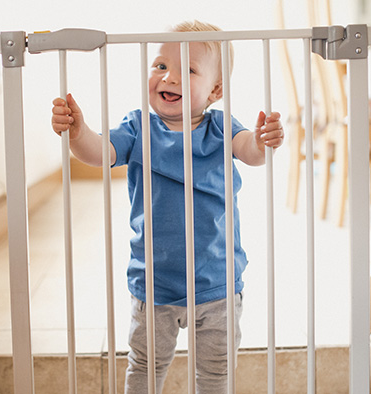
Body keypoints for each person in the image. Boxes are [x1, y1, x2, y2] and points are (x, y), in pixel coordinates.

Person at [50, 20, 284, 394]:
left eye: (188, 70)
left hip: (217, 284)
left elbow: (250, 153)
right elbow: (100, 153)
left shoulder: (222, 128)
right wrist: (78, 133)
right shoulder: (138, 127)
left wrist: (262, 141)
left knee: (216, 373)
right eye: (160, 65)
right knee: (144, 366)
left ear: (215, 89)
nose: (169, 77)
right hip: (155, 284)